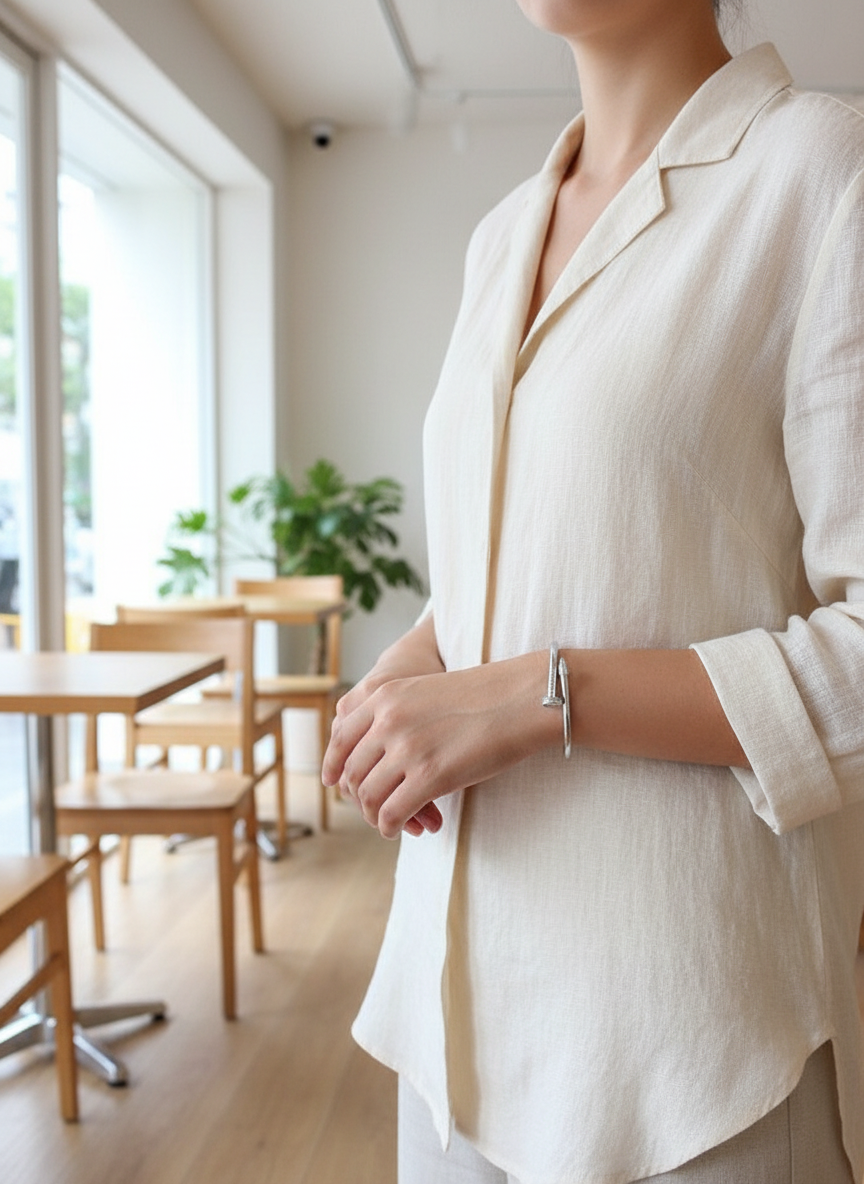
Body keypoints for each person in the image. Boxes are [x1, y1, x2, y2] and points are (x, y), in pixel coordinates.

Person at [322, 0, 864, 1180]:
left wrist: (537, 695)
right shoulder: (499, 236)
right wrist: (424, 651)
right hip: (451, 1024)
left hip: (692, 1050)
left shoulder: (826, 172)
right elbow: (525, 544)